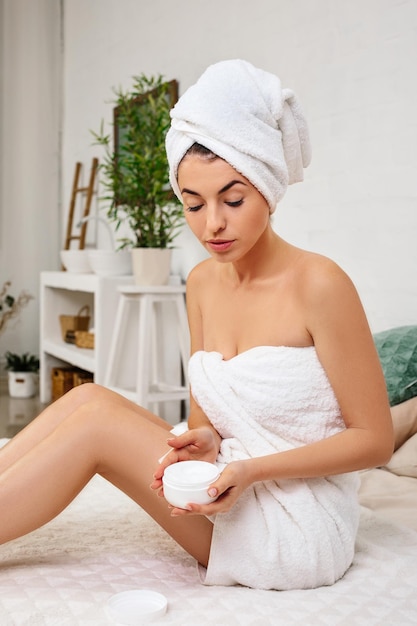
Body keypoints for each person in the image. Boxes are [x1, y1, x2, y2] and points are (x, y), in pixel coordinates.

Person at [0, 60, 393, 591]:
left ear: (268, 187)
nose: (212, 224)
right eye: (192, 203)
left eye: (233, 200)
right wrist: (204, 444)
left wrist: (250, 471)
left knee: (96, 428)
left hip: (295, 521)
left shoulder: (320, 284)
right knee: (87, 398)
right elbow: (205, 422)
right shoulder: (204, 283)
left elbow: (374, 440)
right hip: (224, 479)